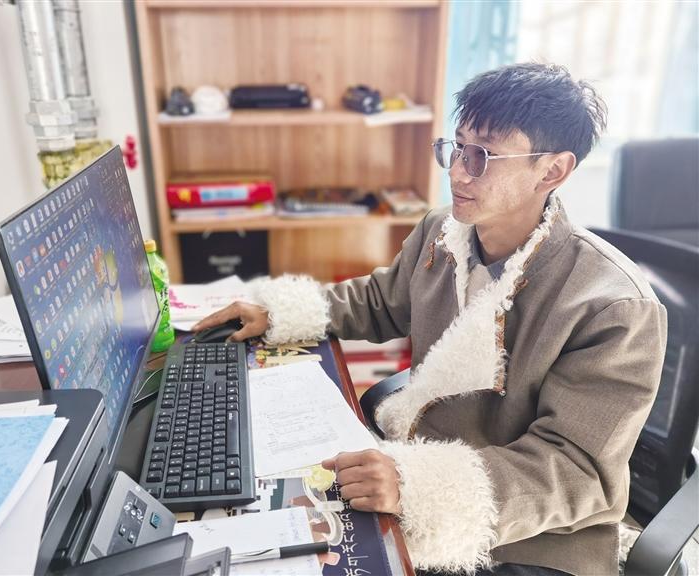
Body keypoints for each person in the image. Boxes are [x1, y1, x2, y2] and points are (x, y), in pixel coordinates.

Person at [191, 63, 667, 576]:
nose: (458, 172)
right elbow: (381, 300)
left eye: (483, 156)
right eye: (457, 148)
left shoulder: (614, 307)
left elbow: (576, 471)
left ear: (551, 171)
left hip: (525, 537)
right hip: (411, 471)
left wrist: (414, 486)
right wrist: (280, 312)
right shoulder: (444, 230)